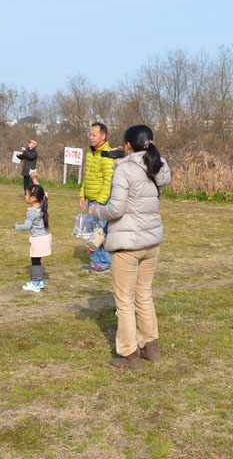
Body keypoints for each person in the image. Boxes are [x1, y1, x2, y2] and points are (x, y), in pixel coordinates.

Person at [89, 124, 171, 370]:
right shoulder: (158, 166)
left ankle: (129, 355)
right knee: (143, 295)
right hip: (151, 243)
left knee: (124, 301)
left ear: (127, 146)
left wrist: (96, 211)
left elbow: (115, 209)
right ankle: (150, 348)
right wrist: (124, 160)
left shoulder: (124, 170)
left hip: (127, 245)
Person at [79, 122, 118, 273]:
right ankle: (95, 261)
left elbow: (108, 181)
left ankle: (104, 263)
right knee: (92, 232)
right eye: (90, 134)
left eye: (94, 134)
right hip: (91, 199)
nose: (91, 137)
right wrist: (83, 194)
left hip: (101, 201)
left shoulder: (106, 154)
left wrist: (99, 203)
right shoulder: (90, 152)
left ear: (103, 136)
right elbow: (87, 175)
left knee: (101, 231)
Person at [14, 183, 52, 292]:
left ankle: (36, 282)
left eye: (26, 195)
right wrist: (34, 178)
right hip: (46, 236)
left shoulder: (31, 212)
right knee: (37, 260)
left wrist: (17, 227)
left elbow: (27, 226)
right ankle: (39, 280)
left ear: (33, 198)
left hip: (38, 239)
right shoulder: (42, 206)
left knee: (35, 261)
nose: (25, 197)